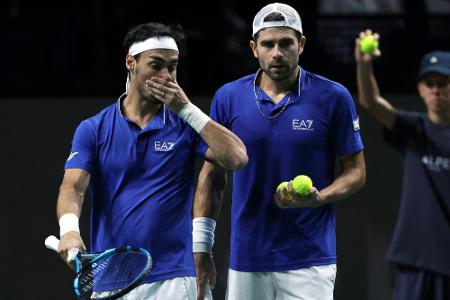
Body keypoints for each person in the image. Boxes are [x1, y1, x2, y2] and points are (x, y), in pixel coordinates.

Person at [54, 22, 248, 300]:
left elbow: (237, 158)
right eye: (156, 65)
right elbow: (73, 187)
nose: (166, 76)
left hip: (174, 277)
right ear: (130, 63)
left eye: (173, 66)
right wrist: (70, 230)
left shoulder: (186, 125)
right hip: (111, 276)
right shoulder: (94, 128)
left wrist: (187, 110)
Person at [193, 3, 366, 299]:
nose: (277, 53)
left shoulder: (334, 97)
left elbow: (356, 171)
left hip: (310, 260)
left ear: (301, 44)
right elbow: (211, 176)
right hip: (246, 259)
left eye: (286, 43)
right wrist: (201, 249)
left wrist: (319, 198)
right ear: (253, 48)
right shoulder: (228, 98)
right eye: (268, 44)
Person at [355, 30, 450, 300]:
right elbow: (371, 102)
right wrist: (363, 63)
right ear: (420, 89)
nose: (436, 89)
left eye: (443, 82)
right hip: (415, 258)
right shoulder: (413, 129)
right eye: (429, 83)